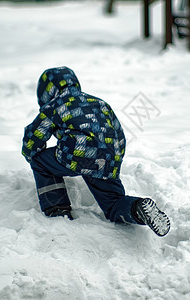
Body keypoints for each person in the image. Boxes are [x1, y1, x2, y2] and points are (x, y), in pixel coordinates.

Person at [21, 66, 170, 236]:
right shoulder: (99, 103)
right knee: (113, 204)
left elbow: (33, 136)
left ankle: (57, 210)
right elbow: (119, 134)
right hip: (109, 157)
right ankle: (138, 209)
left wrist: (32, 154)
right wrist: (112, 162)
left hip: (77, 154)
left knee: (40, 161)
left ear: (46, 91)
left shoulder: (56, 104)